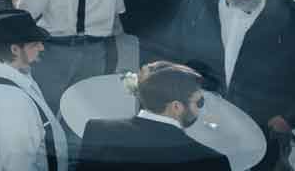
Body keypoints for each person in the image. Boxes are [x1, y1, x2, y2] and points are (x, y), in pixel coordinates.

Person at [170, 0, 295, 170]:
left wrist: (289, 118)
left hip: (265, 123)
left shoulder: (293, 17)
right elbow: (174, 50)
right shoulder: (195, 2)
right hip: (204, 115)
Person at [0, 9, 68, 171]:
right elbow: (18, 163)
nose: (41, 47)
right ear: (14, 49)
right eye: (34, 44)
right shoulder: (11, 105)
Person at [76, 61, 230, 171]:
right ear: (176, 106)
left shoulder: (97, 130)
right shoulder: (212, 161)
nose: (201, 110)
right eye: (199, 102)